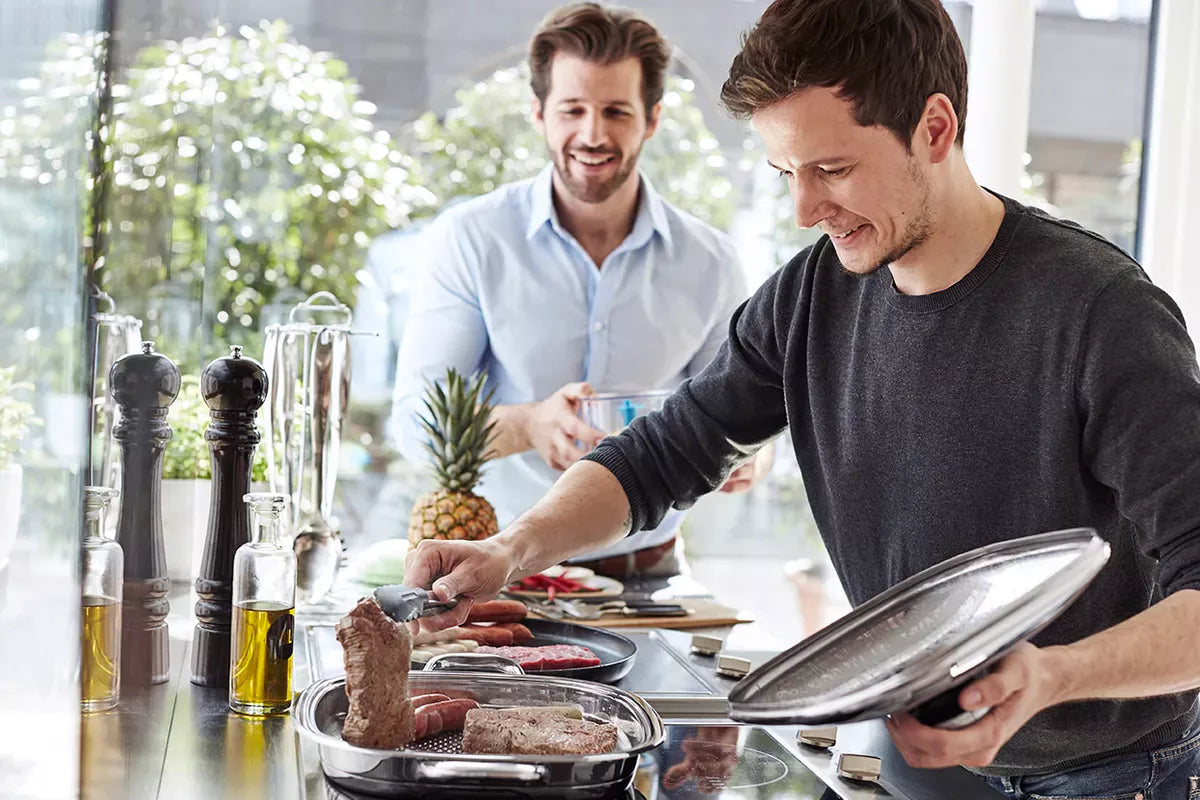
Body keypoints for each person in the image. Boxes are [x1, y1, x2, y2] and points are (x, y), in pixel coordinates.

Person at [406, 0, 1200, 794]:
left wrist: (1054, 677)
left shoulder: (1100, 312)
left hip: (1104, 770)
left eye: (833, 169)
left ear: (934, 128)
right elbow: (663, 454)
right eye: (787, 174)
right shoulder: (813, 293)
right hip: (914, 745)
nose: (804, 211)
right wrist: (510, 550)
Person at [391, 2, 770, 578]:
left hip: (648, 573)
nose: (593, 135)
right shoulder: (471, 239)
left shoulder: (712, 262)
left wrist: (750, 459)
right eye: (572, 110)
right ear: (539, 114)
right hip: (496, 570)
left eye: (616, 111)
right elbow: (414, 424)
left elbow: (740, 414)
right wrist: (529, 426)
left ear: (652, 119)